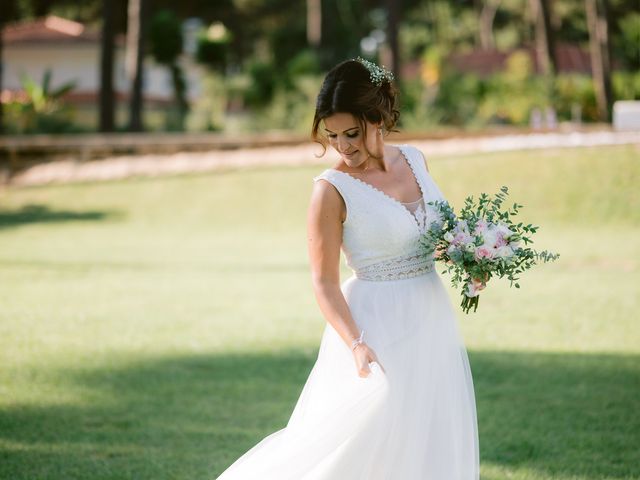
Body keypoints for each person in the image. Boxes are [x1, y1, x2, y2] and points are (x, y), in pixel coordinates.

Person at [215, 58, 480, 479]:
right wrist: (356, 343)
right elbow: (323, 282)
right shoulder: (330, 190)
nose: (343, 146)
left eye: (352, 133)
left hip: (430, 316)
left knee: (425, 434)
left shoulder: (415, 160)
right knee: (363, 445)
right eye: (333, 135)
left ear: (379, 117)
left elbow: (436, 237)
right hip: (373, 326)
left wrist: (472, 260)